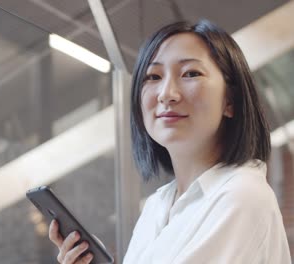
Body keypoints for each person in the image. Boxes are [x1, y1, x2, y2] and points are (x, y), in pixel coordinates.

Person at [48, 20, 291, 263]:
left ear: (230, 101)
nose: (167, 93)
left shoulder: (241, 196)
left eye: (191, 73)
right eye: (153, 76)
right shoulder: (158, 205)